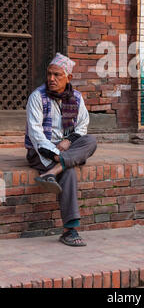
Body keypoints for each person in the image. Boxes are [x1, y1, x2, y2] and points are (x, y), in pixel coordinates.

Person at [25, 52, 97, 247]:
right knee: (70, 171)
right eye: (49, 74)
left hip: (66, 149)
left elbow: (82, 127)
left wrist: (67, 141)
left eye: (57, 75)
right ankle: (70, 230)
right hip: (40, 153)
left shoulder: (76, 98)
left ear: (69, 78)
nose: (51, 79)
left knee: (91, 141)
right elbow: (36, 135)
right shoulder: (37, 97)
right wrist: (59, 156)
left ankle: (52, 173)